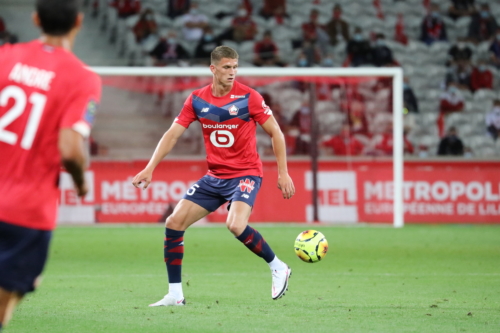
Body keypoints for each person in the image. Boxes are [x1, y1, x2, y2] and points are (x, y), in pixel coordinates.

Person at [132, 46, 295, 306]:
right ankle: (175, 294)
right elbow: (172, 134)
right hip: (214, 177)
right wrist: (150, 167)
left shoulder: (249, 97)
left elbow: (276, 133)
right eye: (227, 67)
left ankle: (278, 267)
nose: (232, 72)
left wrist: (283, 173)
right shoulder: (197, 99)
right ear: (213, 68)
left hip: (245, 174)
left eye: (235, 67)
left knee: (234, 224)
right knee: (174, 223)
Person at [0, 0, 101, 329]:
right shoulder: (82, 78)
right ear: (79, 22)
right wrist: (82, 184)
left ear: (35, 19)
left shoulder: (5, 57)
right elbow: (70, 149)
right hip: (26, 211)